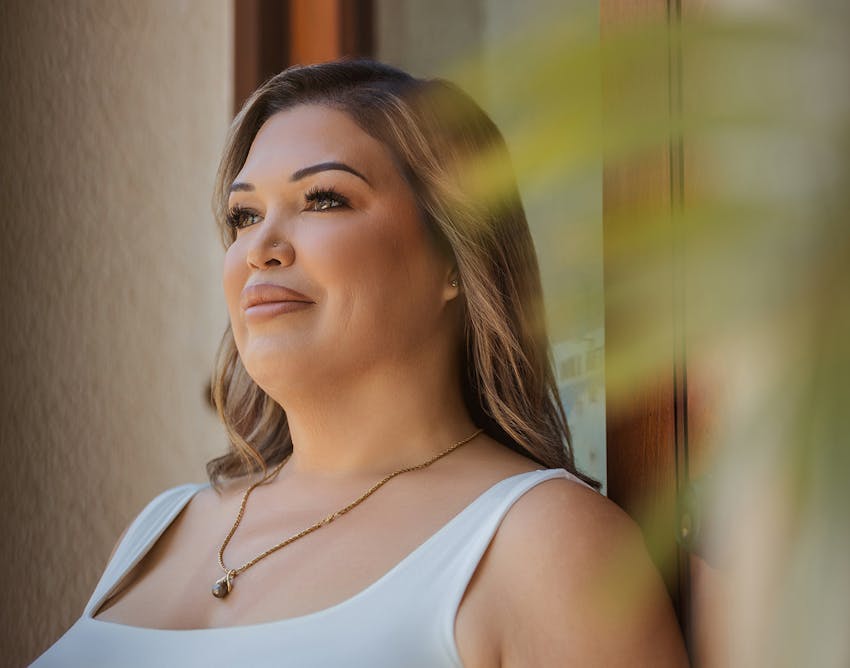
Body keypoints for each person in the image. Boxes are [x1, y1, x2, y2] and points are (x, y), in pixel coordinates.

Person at [33, 59, 688, 667]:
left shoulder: (543, 543)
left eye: (323, 199)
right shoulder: (159, 528)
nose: (260, 247)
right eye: (244, 214)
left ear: (454, 260)